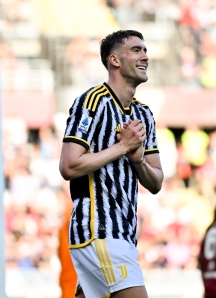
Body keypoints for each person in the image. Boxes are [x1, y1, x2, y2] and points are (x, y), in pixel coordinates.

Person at [59, 30, 163, 298]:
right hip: (99, 231)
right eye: (136, 50)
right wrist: (122, 147)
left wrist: (137, 160)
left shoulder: (144, 114)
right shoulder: (92, 102)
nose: (145, 56)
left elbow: (157, 181)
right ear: (114, 60)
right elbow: (69, 166)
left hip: (124, 235)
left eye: (145, 50)